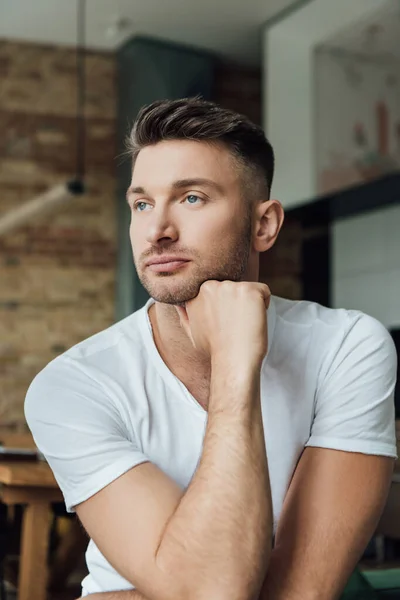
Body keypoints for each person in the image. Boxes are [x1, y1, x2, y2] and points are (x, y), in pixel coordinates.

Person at [25, 97, 397, 600]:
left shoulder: (348, 347)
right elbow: (210, 591)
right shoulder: (73, 384)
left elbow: (294, 593)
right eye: (142, 204)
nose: (157, 231)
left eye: (192, 198)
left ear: (264, 224)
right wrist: (235, 365)